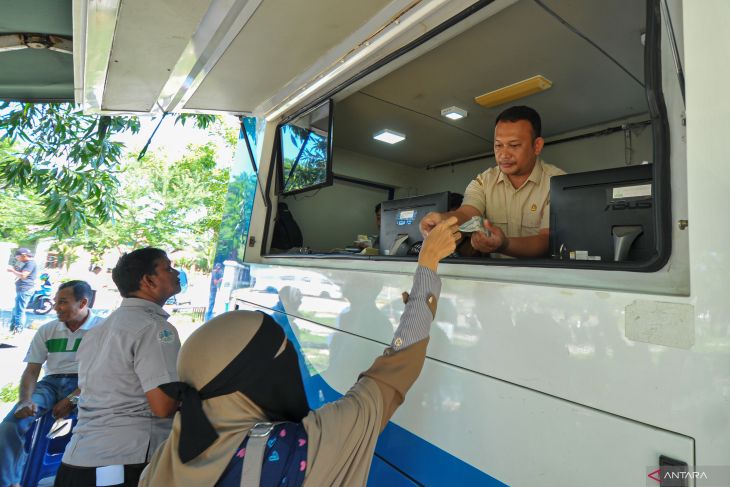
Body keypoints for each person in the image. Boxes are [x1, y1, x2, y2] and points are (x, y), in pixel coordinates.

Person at [138, 218, 461, 487]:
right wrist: (428, 265)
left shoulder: (168, 454)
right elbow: (396, 368)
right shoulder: (302, 449)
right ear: (261, 378)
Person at [55, 248, 182, 487]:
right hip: (122, 462)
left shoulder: (99, 330)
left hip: (77, 460)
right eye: (168, 267)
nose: (176, 272)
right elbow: (163, 406)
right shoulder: (154, 328)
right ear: (148, 280)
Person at [420, 106, 565, 258]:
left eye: (514, 145)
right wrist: (443, 221)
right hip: (495, 277)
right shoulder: (483, 182)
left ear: (537, 146)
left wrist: (504, 244)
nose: (503, 154)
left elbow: (547, 241)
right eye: (498, 145)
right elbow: (467, 214)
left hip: (544, 278)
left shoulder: (557, 184)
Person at [0, 281, 102, 487]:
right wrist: (25, 400)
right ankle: (9, 482)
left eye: (63, 302)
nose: (56, 307)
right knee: (9, 427)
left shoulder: (103, 329)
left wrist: (74, 397)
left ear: (83, 303)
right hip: (51, 384)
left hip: (88, 384)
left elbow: (103, 374)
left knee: (88, 434)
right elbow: (32, 370)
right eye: (56, 302)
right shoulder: (48, 329)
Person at [6, 248, 38, 333]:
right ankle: (12, 328)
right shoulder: (27, 263)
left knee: (20, 310)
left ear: (24, 255)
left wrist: (12, 270)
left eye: (18, 257)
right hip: (22, 289)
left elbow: (23, 276)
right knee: (16, 309)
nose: (17, 259)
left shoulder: (30, 263)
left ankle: (18, 330)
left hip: (25, 289)